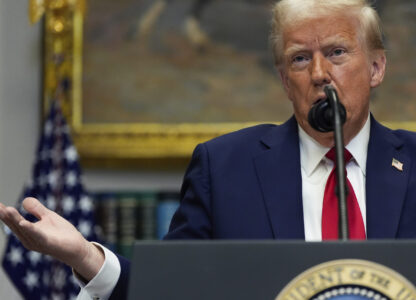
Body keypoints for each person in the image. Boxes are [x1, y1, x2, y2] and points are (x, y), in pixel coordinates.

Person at [2, 0, 416, 299]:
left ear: (377, 67)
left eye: (337, 53)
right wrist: (85, 256)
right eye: (300, 59)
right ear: (284, 80)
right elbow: (167, 288)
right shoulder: (225, 169)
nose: (320, 73)